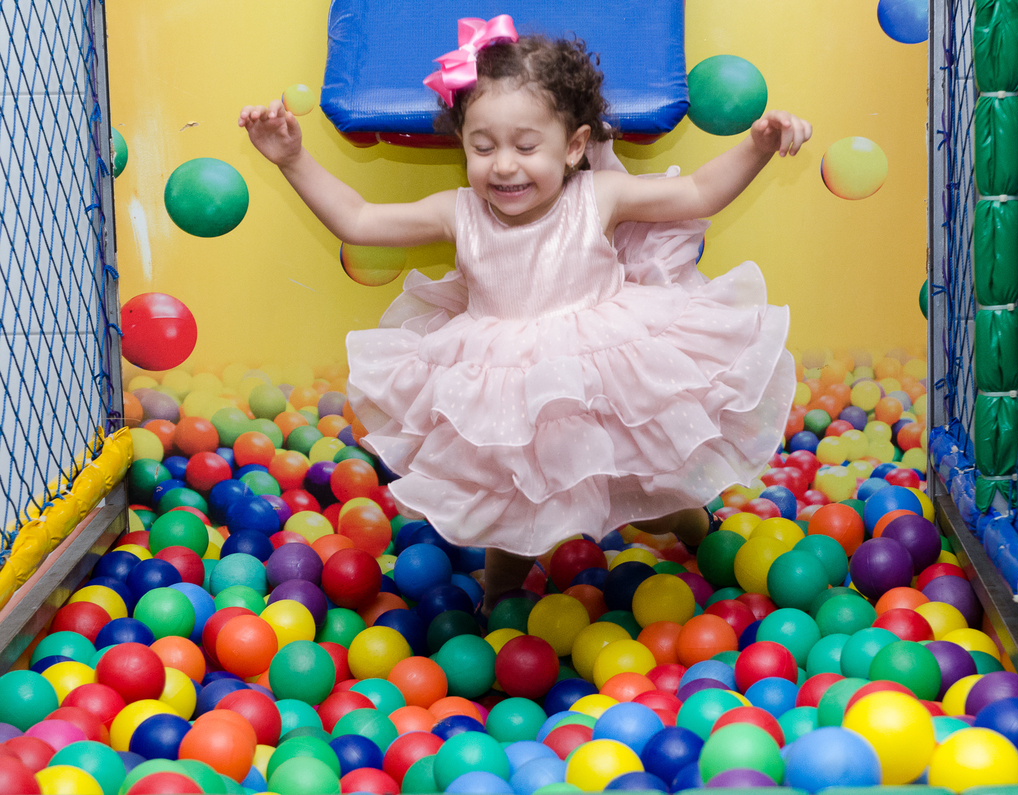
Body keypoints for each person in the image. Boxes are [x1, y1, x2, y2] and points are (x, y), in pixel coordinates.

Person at [239, 15, 811, 611]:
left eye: (526, 146)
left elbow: (696, 193)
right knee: (512, 499)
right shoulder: (458, 212)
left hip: (601, 376)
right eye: (482, 147)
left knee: (651, 491)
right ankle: (502, 598)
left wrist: (758, 145)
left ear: (574, 146)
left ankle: (697, 529)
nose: (504, 165)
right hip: (506, 383)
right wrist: (292, 159)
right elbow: (359, 220)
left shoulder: (598, 197)